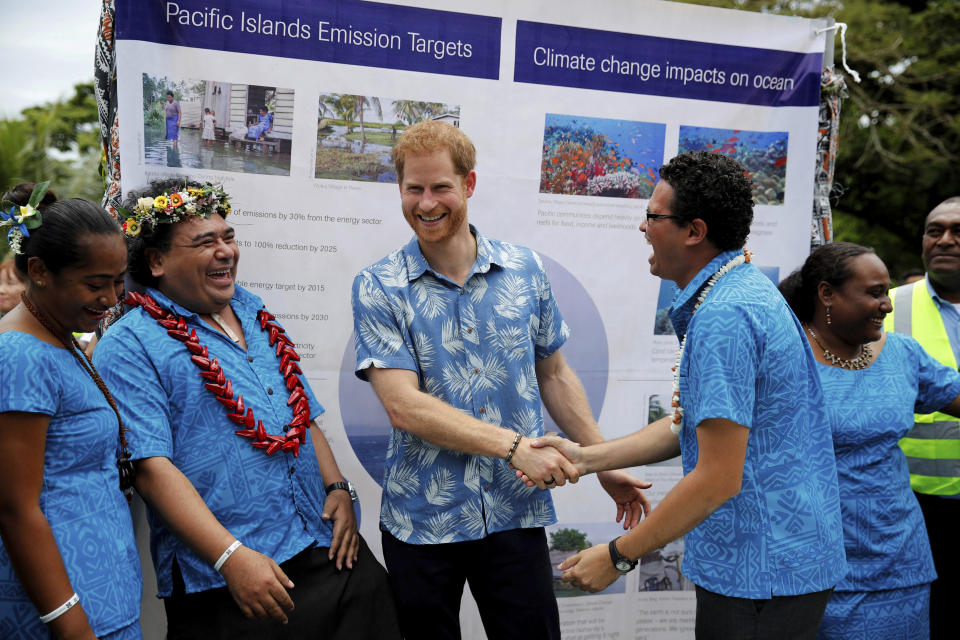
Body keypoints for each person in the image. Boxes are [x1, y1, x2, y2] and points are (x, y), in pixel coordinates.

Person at [351, 120, 650, 639]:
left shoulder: (525, 270)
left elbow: (554, 372)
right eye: (414, 188)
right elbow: (403, 406)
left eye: (441, 186)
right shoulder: (379, 287)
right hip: (422, 519)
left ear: (469, 184)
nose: (426, 203)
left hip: (516, 510)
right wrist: (515, 447)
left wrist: (600, 460)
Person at [531, 151, 846, 639]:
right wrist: (587, 457)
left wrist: (618, 555)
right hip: (777, 566)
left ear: (694, 231)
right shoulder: (740, 292)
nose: (642, 227)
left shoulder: (726, 316)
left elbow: (719, 478)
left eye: (653, 216)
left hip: (761, 572)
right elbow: (689, 422)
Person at [94, 180, 399, 639]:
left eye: (228, 237)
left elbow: (300, 411)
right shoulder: (128, 345)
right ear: (156, 261)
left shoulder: (254, 312)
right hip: (231, 578)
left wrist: (337, 486)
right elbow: (150, 467)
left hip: (323, 545)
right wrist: (230, 557)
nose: (225, 252)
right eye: (204, 242)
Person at [778, 242, 960, 639]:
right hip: (812, 559)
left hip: (899, 557)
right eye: (875, 292)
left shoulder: (903, 355)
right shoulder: (783, 357)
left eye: (887, 291)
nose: (888, 304)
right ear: (827, 293)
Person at [0, 182, 142, 639]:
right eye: (95, 284)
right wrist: (68, 620)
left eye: (118, 282)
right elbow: (14, 508)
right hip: (65, 614)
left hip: (102, 597)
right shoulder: (20, 356)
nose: (111, 299)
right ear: (39, 271)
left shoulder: (59, 337)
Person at [884, 196, 960, 639]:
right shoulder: (886, 306)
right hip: (910, 507)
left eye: (957, 230)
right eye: (935, 230)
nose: (944, 239)